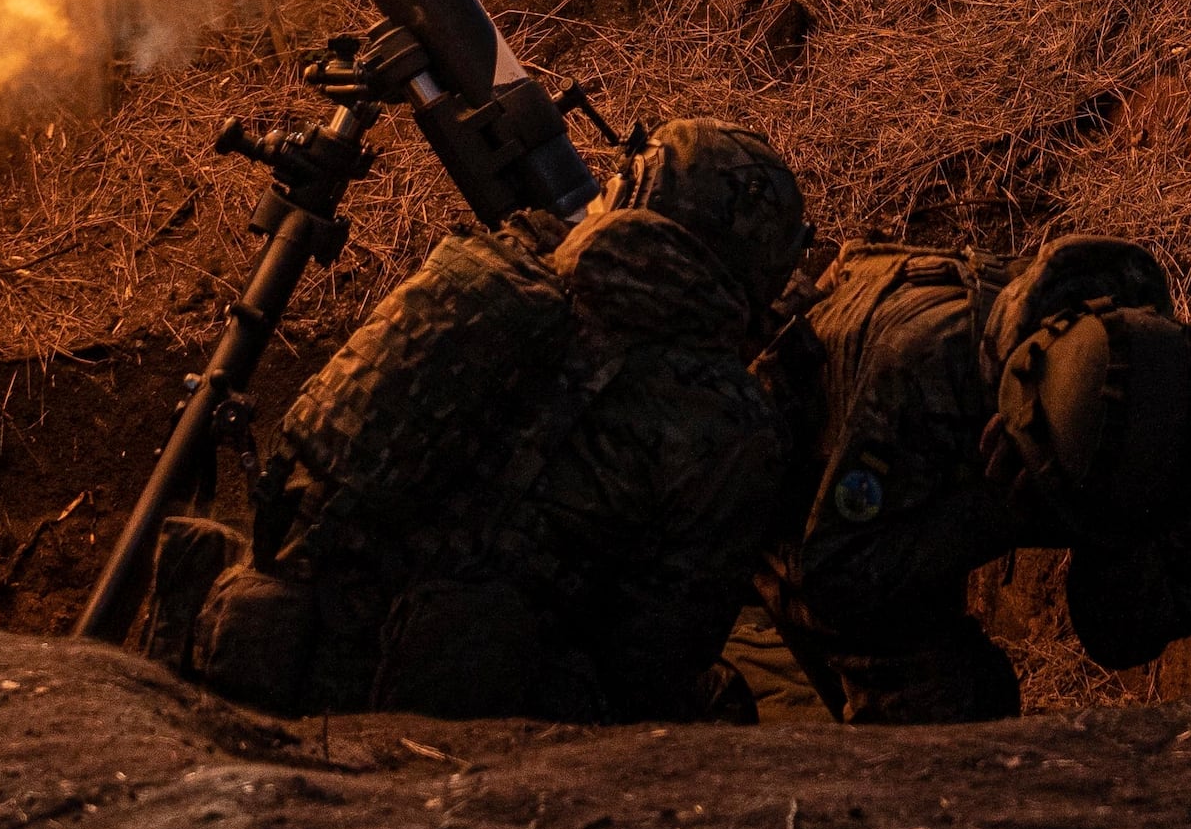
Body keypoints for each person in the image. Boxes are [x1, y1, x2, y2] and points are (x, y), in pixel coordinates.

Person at [191, 120, 806, 722]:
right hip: (467, 726)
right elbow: (658, 659)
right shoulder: (730, 419)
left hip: (275, 658)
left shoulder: (483, 271)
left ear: (634, 188)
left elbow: (302, 464)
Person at [738, 234, 1191, 722]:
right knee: (954, 703)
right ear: (1004, 428)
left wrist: (1124, 546)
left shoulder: (1165, 402)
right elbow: (836, 573)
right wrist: (988, 514)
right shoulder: (919, 369)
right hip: (806, 481)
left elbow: (1132, 634)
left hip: (928, 477)